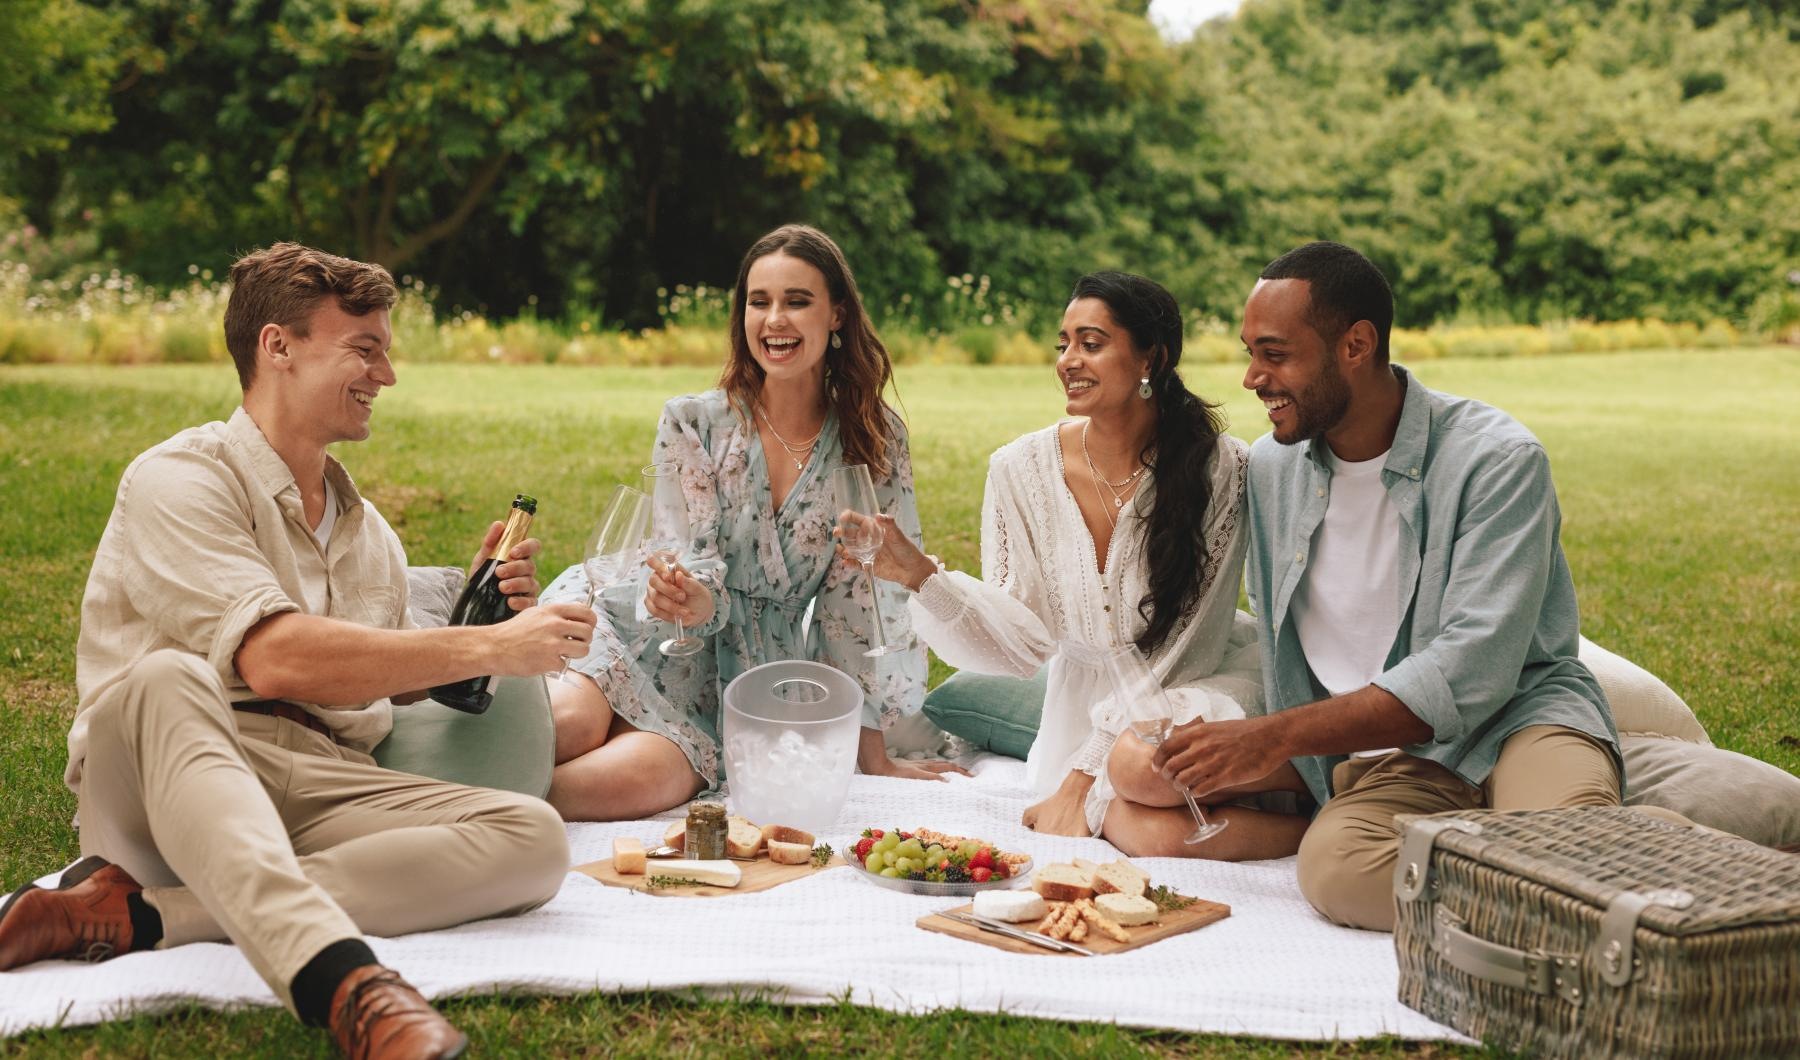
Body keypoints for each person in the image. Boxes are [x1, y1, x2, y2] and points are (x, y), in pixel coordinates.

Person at [0, 243, 597, 1059]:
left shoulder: (369, 534)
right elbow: (275, 659)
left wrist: (483, 633)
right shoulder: (177, 478)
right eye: (364, 348)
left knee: (533, 839)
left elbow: (375, 679)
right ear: (277, 346)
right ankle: (349, 984)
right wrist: (489, 640)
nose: (386, 375)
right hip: (163, 776)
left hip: (317, 779)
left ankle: (133, 915)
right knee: (170, 675)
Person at [1153, 241, 1623, 931]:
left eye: (1275, 353)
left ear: (1356, 345)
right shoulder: (1272, 473)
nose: (1253, 377)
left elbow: (1473, 672)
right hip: (1403, 762)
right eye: (1251, 351)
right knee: (1334, 871)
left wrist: (1273, 737)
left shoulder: (1497, 461)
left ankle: (1569, 873)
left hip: (1519, 720)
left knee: (1572, 851)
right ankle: (1552, 898)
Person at [857, 272, 1310, 860]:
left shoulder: (1221, 468)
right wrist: (922, 577)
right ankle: (1314, 828)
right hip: (1081, 709)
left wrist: (1083, 773)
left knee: (1140, 766)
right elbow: (1019, 649)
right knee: (1145, 832)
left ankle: (1317, 780)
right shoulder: (1018, 469)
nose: (1069, 360)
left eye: (1091, 343)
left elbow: (1185, 647)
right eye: (1063, 344)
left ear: (1152, 357)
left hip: (1190, 687)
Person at [544, 224, 964, 821]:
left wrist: (874, 757)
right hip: (643, 619)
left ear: (837, 314)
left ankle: (457, 802)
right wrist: (690, 596)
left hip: (739, 675)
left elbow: (862, 605)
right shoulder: (694, 422)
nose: (775, 321)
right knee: (569, 727)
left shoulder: (874, 441)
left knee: (628, 785)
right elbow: (678, 552)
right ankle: (413, 785)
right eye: (758, 302)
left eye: (797, 301)